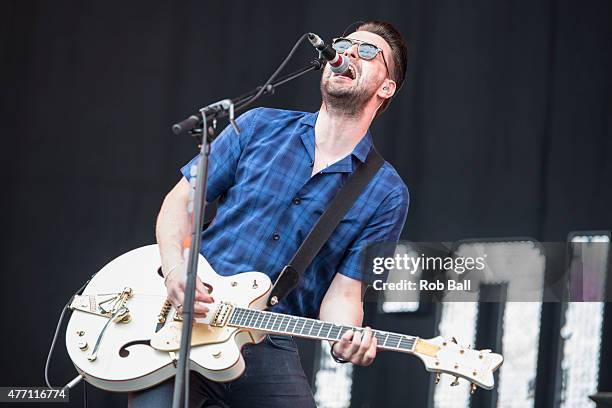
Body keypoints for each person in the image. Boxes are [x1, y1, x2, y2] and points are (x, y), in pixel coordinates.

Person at [129, 20, 409, 408]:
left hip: (268, 337)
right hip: (189, 314)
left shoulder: (386, 191)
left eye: (366, 51)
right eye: (343, 44)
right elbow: (180, 204)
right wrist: (177, 272)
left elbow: (344, 293)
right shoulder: (259, 126)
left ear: (386, 87)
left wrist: (347, 339)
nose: (345, 53)